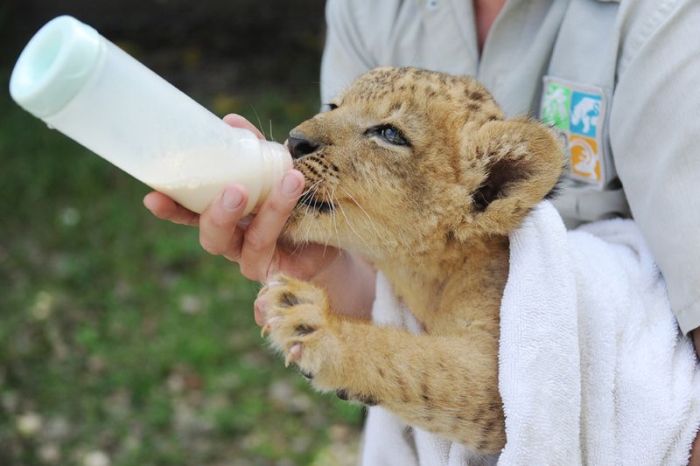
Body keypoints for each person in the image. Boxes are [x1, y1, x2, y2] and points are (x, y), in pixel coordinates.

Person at [144, 0, 700, 462]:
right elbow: (388, 264)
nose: (304, 135)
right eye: (333, 108)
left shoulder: (666, 21)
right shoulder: (368, 10)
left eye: (386, 133)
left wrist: (339, 346)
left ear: (487, 194)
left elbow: (501, 401)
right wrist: (326, 261)